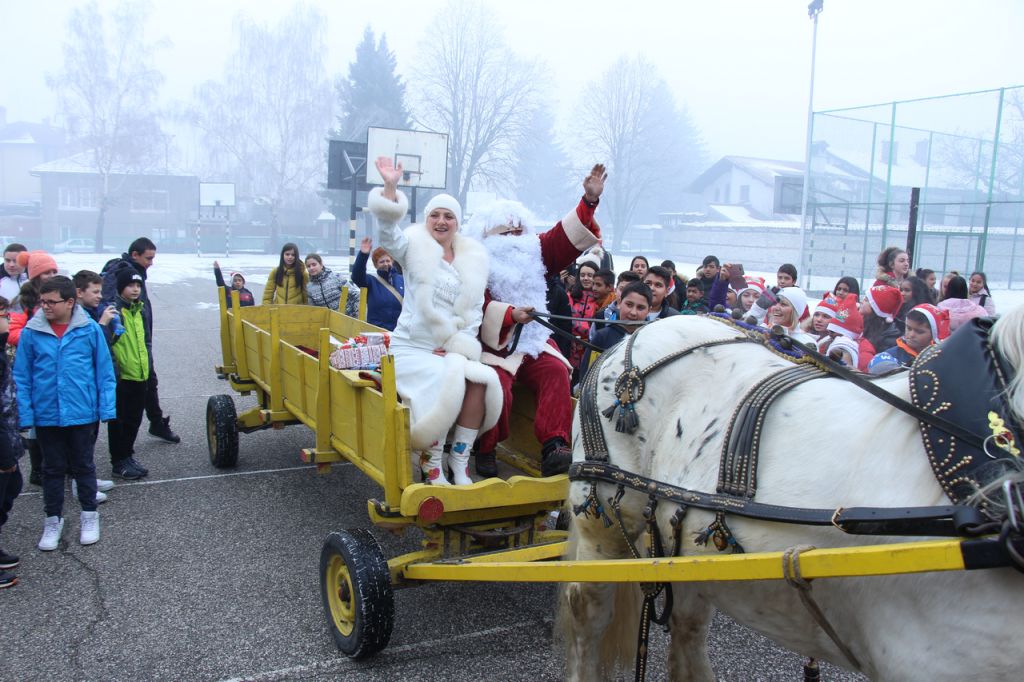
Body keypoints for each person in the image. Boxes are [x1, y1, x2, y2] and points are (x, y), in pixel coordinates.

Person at [367, 156, 502, 486]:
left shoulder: (473, 260)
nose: (441, 222)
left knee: (481, 380)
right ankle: (432, 463)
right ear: (426, 219)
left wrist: (456, 348)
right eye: (435, 215)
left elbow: (472, 315)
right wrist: (389, 188)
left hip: (450, 349)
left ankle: (459, 460)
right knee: (447, 378)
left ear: (457, 223)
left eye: (448, 216)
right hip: (412, 348)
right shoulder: (413, 247)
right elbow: (387, 231)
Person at [468, 165, 606, 478]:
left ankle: (555, 444)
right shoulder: (476, 263)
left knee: (556, 371)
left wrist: (588, 201)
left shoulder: (537, 251)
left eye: (520, 231)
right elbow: (475, 304)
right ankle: (486, 447)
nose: (517, 238)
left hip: (533, 342)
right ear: (490, 236)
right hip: (494, 344)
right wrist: (508, 314)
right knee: (496, 384)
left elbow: (564, 237)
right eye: (508, 232)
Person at [14, 276, 116, 550]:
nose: (45, 307)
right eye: (42, 301)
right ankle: (52, 519)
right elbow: (22, 377)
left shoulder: (90, 330)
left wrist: (106, 408)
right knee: (52, 469)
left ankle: (89, 515)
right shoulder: (31, 333)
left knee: (84, 466)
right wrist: (26, 414)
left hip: (82, 413)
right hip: (47, 414)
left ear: (70, 302)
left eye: (51, 302)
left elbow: (104, 372)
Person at [102, 238, 180, 445]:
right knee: (135, 393)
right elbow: (109, 304)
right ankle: (123, 448)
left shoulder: (134, 272)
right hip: (127, 345)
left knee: (149, 382)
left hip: (140, 340)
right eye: (149, 258)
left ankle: (156, 422)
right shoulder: (121, 271)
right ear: (135, 255)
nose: (151, 262)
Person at [107, 270, 152, 481]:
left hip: (140, 374)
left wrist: (148, 367)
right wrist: (117, 373)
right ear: (120, 287)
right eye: (130, 285)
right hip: (123, 377)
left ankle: (128, 455)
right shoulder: (115, 313)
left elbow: (145, 342)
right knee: (120, 421)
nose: (135, 289)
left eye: (138, 286)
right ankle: (118, 460)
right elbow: (110, 345)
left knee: (134, 419)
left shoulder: (139, 310)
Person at [579, 281, 650, 378]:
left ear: (648, 310)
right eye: (629, 305)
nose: (633, 312)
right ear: (620, 303)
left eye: (640, 308)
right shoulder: (602, 337)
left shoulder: (650, 339)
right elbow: (587, 373)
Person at [0, 307, 22, 587]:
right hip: (2, 441)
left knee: (10, 489)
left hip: (7, 435)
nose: (9, 319)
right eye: (4, 315)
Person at [868, 303, 950, 374]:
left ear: (933, 334)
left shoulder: (939, 358)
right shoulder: (889, 356)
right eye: (908, 328)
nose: (911, 335)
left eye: (919, 332)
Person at [351, 239, 404, 331]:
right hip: (377, 331)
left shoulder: (403, 280)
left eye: (388, 260)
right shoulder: (371, 281)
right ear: (376, 265)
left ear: (392, 261)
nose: (386, 264)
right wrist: (363, 255)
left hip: (400, 331)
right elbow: (356, 276)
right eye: (381, 262)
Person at [9, 250, 59, 346]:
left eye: (54, 272)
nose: (52, 276)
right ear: (35, 277)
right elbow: (12, 331)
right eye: (47, 273)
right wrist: (39, 339)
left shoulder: (61, 296)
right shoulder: (22, 300)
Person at [857, 285, 903, 371]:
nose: (862, 301)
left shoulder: (889, 338)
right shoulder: (863, 323)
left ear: (876, 309)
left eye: (867, 300)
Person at [567, 261, 601, 372]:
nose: (585, 278)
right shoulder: (570, 294)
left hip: (591, 347)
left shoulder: (601, 298)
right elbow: (567, 319)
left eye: (590, 275)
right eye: (582, 275)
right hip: (570, 347)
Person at [305, 253, 359, 318]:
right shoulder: (309, 288)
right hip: (327, 324)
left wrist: (357, 314)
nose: (311, 268)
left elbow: (355, 295)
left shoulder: (336, 277)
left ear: (321, 265)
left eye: (314, 264)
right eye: (308, 266)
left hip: (349, 319)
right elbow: (313, 310)